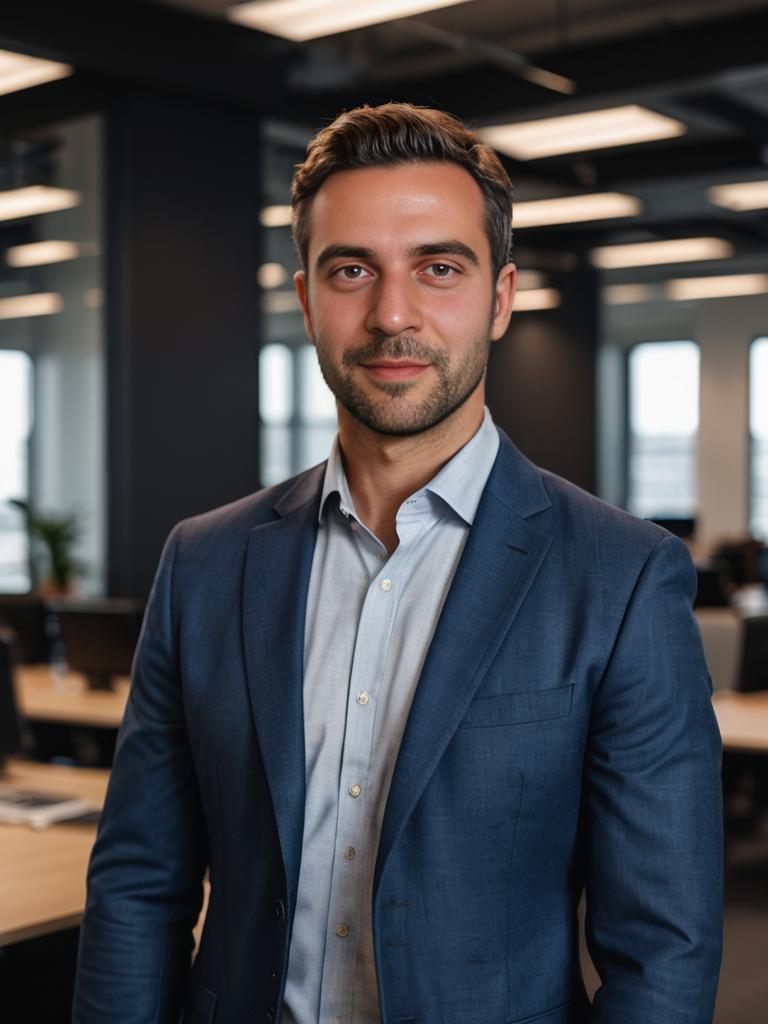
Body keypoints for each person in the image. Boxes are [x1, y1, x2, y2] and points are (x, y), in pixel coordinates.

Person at [73, 103, 723, 1024]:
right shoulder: (205, 563)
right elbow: (140, 886)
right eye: (351, 270)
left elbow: (664, 950)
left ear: (499, 298)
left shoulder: (621, 577)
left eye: (438, 268)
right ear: (306, 299)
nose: (392, 314)